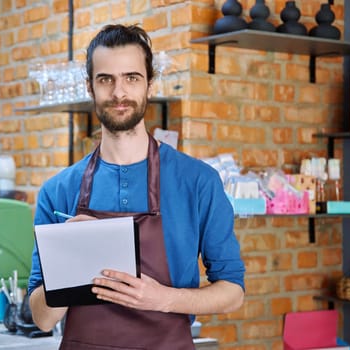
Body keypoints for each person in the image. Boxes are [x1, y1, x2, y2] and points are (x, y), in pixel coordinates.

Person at [28, 24, 245, 350]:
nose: (118, 93)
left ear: (149, 84)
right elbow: (41, 318)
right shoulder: (58, 190)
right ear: (90, 87)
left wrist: (163, 299)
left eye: (131, 78)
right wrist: (71, 259)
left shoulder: (197, 181)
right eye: (106, 80)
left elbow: (232, 292)